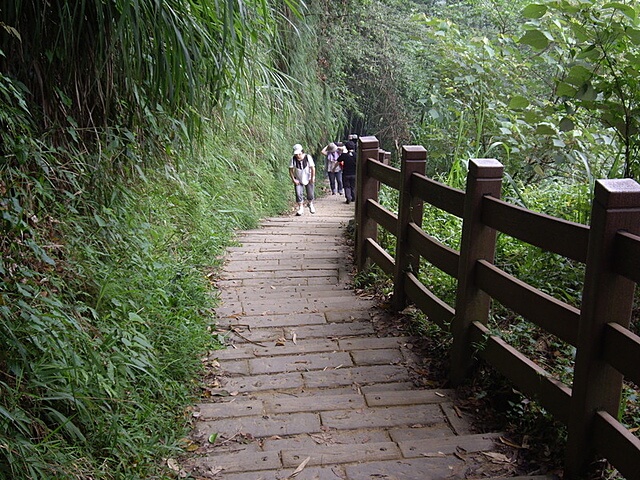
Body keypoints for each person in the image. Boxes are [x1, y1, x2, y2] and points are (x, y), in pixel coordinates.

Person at [289, 143, 316, 215]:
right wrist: (293, 179)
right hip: (298, 178)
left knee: (310, 193)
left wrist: (312, 177)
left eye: (299, 154)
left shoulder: (308, 157)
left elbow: (312, 168)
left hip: (308, 177)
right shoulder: (293, 159)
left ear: (302, 152)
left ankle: (310, 203)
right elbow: (291, 169)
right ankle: (301, 207)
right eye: (296, 154)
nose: (298, 156)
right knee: (298, 193)